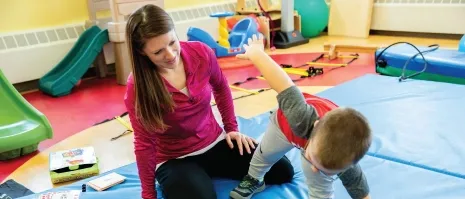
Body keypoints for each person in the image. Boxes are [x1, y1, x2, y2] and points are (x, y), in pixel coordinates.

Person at [123, 5, 294, 199]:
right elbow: (144, 143)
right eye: (158, 52)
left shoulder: (200, 53)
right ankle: (189, 179)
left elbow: (221, 87)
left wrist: (231, 128)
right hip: (175, 159)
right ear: (143, 52)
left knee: (282, 170)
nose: (170, 55)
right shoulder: (137, 87)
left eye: (172, 42)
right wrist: (148, 194)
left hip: (214, 142)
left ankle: (204, 174)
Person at [229, 34, 372, 199]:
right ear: (316, 125)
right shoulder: (299, 116)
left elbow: (360, 189)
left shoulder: (345, 160)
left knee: (320, 185)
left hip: (316, 145)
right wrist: (257, 54)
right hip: (284, 126)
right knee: (265, 153)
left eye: (324, 169)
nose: (314, 169)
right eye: (315, 162)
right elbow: (282, 82)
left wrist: (319, 163)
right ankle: (255, 178)